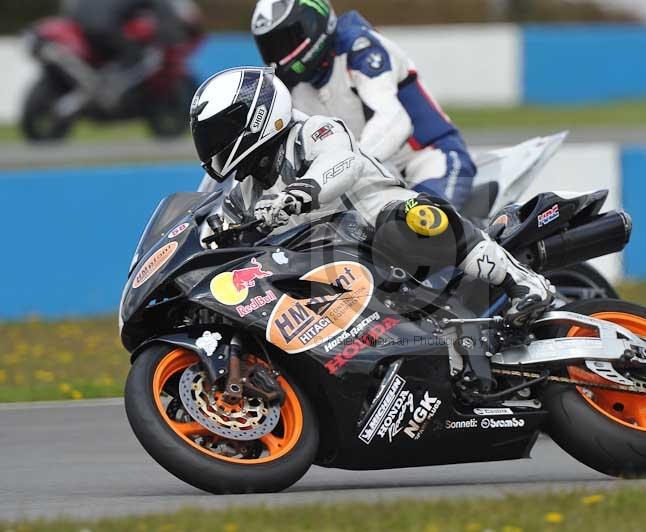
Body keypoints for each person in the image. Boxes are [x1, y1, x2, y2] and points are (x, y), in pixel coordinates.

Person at [190, 67, 554, 393]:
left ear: (256, 119)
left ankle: (522, 281)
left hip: (378, 233)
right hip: (332, 269)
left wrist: (302, 191)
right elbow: (219, 234)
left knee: (411, 219)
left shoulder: (314, 131)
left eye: (219, 131)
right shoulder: (245, 192)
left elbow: (341, 162)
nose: (213, 144)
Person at [249, 0, 476, 209]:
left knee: (427, 229)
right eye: (271, 46)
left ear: (313, 24)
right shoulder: (290, 86)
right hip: (371, 175)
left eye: (287, 39)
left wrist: (345, 166)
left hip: (430, 157)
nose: (280, 54)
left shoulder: (360, 47)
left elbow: (393, 120)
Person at [62, 0, 197, 105]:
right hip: (105, 29)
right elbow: (165, 14)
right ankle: (113, 87)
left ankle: (107, 81)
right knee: (134, 56)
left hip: (81, 28)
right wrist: (172, 36)